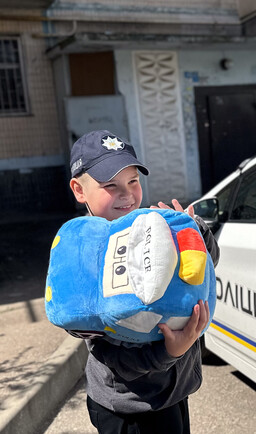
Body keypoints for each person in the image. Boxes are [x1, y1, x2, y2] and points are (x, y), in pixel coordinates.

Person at [68, 129, 219, 434]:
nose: (127, 195)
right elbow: (109, 354)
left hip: (173, 392)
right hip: (130, 409)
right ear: (79, 190)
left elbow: (207, 265)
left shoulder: (152, 227)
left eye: (133, 181)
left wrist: (195, 233)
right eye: (110, 185)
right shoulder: (82, 259)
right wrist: (168, 352)